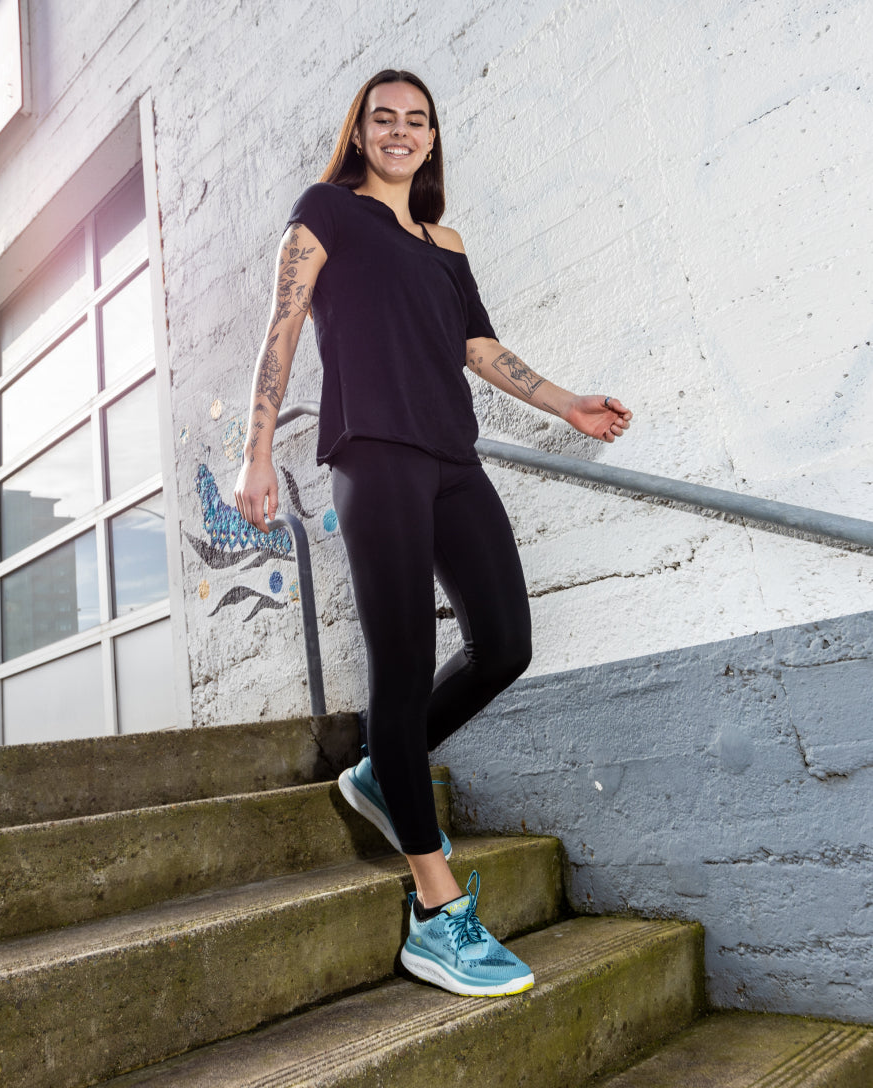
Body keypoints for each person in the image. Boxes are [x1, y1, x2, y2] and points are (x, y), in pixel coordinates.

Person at [234, 69, 632, 997]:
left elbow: (477, 347)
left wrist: (567, 402)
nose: (400, 132)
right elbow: (280, 331)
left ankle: (384, 772)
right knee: (404, 661)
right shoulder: (325, 213)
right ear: (360, 132)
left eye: (417, 120)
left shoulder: (445, 244)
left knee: (505, 643)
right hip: (374, 453)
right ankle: (435, 912)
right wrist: (255, 452)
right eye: (384, 118)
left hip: (453, 456)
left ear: (432, 137)